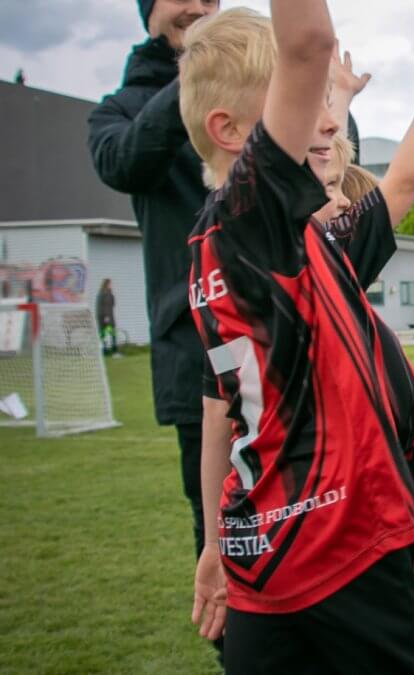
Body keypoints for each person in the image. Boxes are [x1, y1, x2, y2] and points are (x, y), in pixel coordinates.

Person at [183, 3, 414, 672]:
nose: (320, 121)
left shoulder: (255, 247)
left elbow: (218, 415)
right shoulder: (249, 221)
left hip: (260, 555)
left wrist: (213, 541)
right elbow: (309, 42)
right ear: (231, 132)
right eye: (295, 103)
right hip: (336, 543)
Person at [86, 7, 222, 657]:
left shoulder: (251, 83)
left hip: (285, 344)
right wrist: (200, 71)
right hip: (192, 351)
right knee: (223, 535)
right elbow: (123, 163)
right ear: (148, 11)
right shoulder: (117, 108)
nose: (198, 6)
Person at [95, 278, 118, 357]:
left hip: (101, 318)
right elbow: (107, 307)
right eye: (111, 284)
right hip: (107, 318)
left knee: (103, 334)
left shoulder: (100, 293)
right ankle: (114, 351)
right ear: (107, 284)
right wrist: (107, 317)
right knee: (112, 333)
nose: (112, 285)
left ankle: (104, 351)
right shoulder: (107, 294)